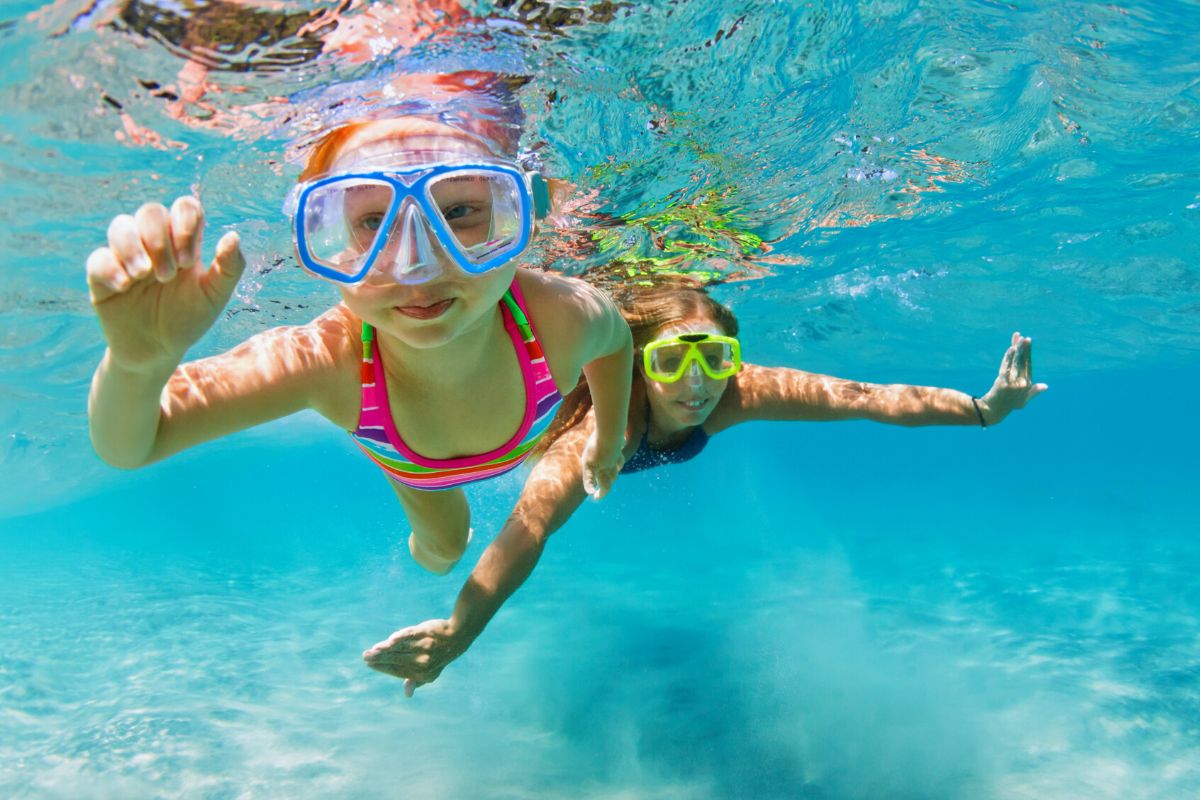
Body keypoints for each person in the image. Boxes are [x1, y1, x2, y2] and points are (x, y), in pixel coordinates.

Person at [85, 76, 632, 596]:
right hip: (415, 468)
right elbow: (134, 444)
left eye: (460, 211)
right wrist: (137, 364)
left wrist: (605, 442)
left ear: (517, 217)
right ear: (328, 235)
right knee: (442, 550)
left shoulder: (559, 315)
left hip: (436, 442)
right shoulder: (326, 360)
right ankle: (435, 552)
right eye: (373, 223)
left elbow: (615, 346)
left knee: (444, 547)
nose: (415, 266)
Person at [365, 279, 1047, 694]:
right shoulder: (607, 427)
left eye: (715, 359)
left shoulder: (739, 394)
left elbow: (865, 397)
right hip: (509, 431)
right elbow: (531, 524)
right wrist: (460, 630)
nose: (696, 385)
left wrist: (983, 409)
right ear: (637, 362)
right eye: (670, 361)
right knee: (446, 532)